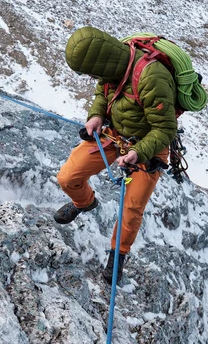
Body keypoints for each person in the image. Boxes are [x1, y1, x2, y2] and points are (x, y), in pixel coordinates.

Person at [54, 26, 178, 282]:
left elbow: (165, 129)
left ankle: (117, 256)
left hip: (148, 146)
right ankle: (85, 203)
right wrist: (96, 116)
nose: (92, 77)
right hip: (114, 135)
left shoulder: (152, 78)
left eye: (91, 73)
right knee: (68, 177)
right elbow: (103, 92)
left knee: (131, 206)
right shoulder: (112, 65)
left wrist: (138, 153)